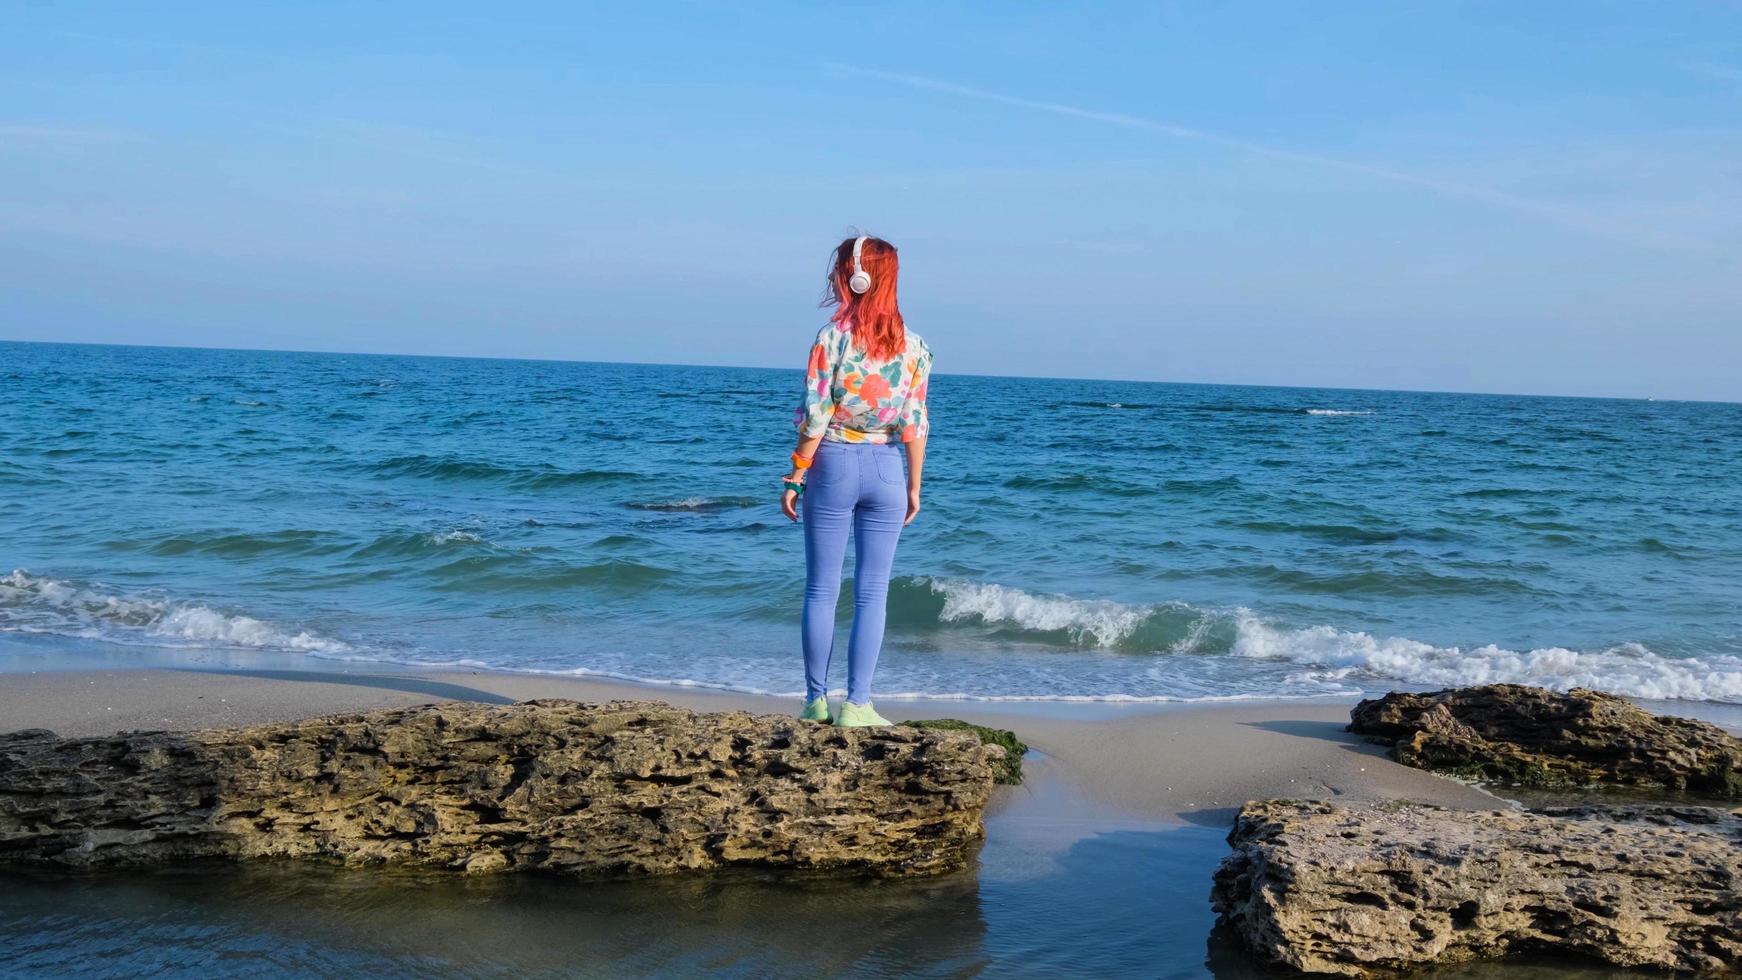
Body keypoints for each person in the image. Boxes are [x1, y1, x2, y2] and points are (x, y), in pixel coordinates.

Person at [779, 235, 931, 727]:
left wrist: (796, 475)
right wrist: (914, 485)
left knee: (822, 590)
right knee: (873, 592)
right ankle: (859, 704)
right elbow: (914, 422)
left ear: (854, 276)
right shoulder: (916, 348)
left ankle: (815, 701)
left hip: (834, 464)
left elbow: (816, 417)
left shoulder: (831, 338)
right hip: (888, 467)